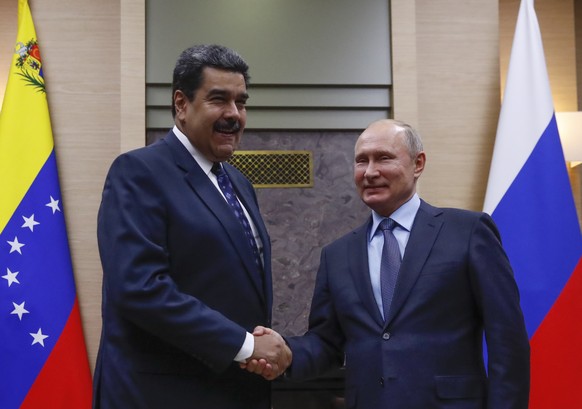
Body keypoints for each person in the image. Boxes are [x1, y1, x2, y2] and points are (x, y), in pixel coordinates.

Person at [247, 119, 530, 408]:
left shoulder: (468, 232)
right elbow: (327, 344)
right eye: (361, 161)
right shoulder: (337, 254)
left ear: (418, 164)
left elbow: (507, 340)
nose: (370, 172)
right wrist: (287, 352)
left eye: (383, 158)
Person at [93, 44, 291, 409]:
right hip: (162, 396)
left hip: (232, 391)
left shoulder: (239, 183)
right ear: (181, 104)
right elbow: (140, 289)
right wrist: (246, 346)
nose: (234, 114)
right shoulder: (139, 172)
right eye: (219, 100)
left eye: (241, 102)